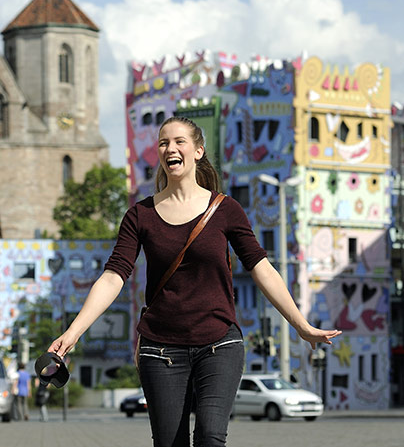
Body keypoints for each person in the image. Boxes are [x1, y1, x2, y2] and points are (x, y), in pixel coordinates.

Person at [47, 116, 340, 447]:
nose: (170, 148)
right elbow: (114, 275)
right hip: (160, 348)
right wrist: (72, 333)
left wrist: (300, 325)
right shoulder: (140, 215)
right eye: (163, 143)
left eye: (179, 141)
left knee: (210, 438)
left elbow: (261, 267)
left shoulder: (226, 209)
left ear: (198, 151)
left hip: (219, 343)